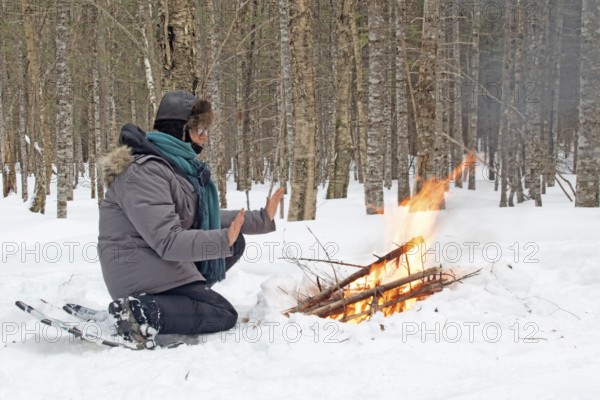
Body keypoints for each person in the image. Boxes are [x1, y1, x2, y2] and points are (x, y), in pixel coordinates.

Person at [98, 90, 284, 347]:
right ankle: (139, 312)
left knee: (234, 242)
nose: (205, 139)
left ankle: (181, 302)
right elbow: (168, 240)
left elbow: (201, 217)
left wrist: (262, 219)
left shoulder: (170, 166)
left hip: (156, 265)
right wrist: (220, 240)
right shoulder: (144, 173)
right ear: (181, 131)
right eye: (200, 131)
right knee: (222, 315)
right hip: (137, 271)